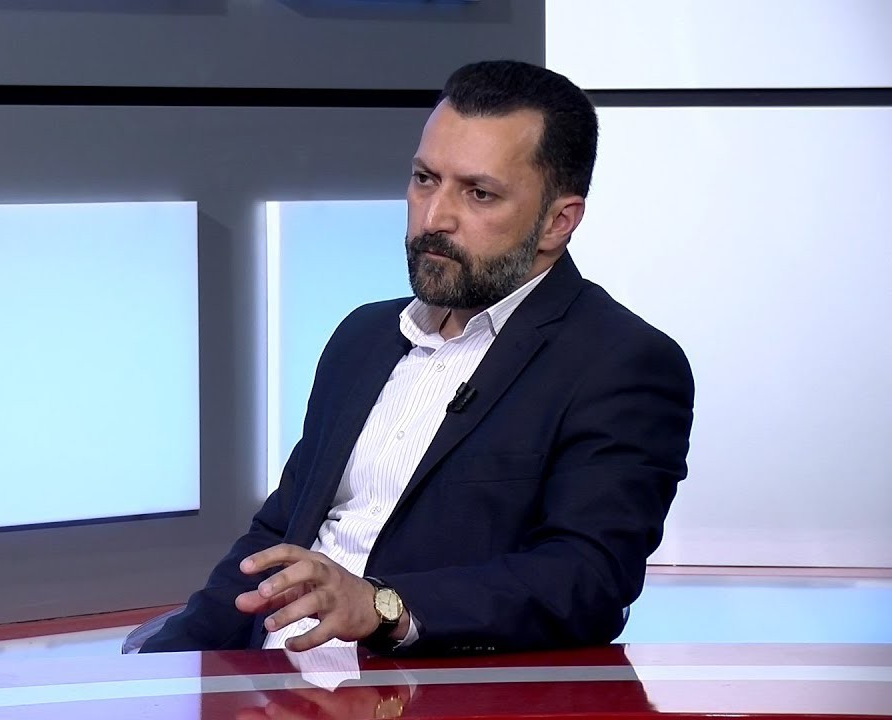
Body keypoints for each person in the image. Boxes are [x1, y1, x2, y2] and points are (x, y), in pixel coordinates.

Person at [141, 60, 695, 656]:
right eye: (425, 179)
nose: (434, 219)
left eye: (479, 194)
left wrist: (383, 606)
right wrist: (163, 665)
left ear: (557, 222)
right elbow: (280, 533)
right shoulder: (363, 337)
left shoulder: (621, 363)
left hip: (420, 687)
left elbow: (586, 578)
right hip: (271, 680)